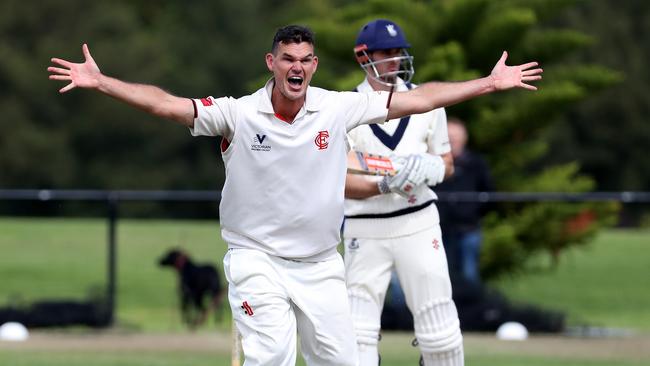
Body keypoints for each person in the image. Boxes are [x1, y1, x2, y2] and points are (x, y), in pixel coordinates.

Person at [48, 25, 541, 366]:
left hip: (322, 264)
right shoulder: (236, 114)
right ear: (272, 62)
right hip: (256, 259)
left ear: (315, 65)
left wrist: (489, 85)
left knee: (347, 359)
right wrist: (102, 82)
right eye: (288, 59)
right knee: (274, 357)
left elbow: (417, 98)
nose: (297, 68)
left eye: (306, 60)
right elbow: (167, 105)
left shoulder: (336, 107)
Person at [343, 19, 458, 366]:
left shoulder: (428, 102)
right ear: (364, 57)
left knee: (440, 331)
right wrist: (385, 182)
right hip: (364, 226)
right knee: (356, 333)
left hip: (418, 221)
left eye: (399, 52)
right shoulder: (345, 108)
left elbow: (447, 162)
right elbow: (337, 181)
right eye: (387, 52)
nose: (395, 59)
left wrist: (430, 168)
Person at [436, 117, 495, 285]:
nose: (453, 140)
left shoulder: (476, 163)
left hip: (468, 229)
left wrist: (472, 212)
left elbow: (488, 193)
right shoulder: (433, 163)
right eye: (449, 136)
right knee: (440, 275)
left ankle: (469, 310)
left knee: (469, 274)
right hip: (439, 230)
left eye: (456, 136)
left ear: (464, 138)